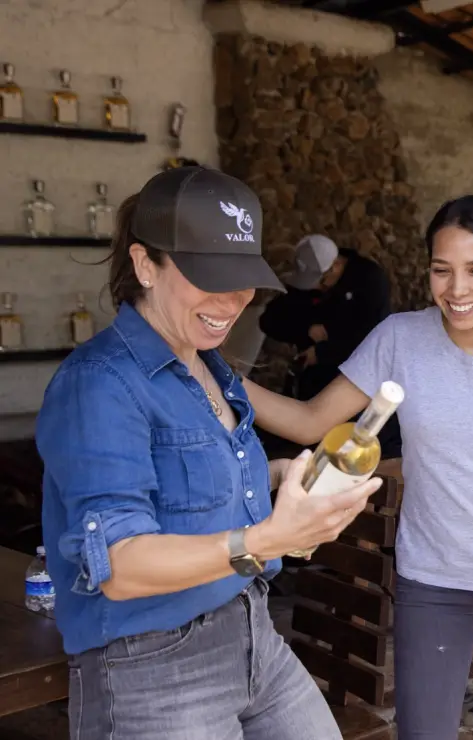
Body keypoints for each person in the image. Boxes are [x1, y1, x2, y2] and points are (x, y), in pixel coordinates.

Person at [35, 166, 384, 739]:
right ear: (146, 265)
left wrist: (284, 480)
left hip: (252, 634)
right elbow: (120, 565)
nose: (233, 300)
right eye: (207, 276)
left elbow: (197, 485)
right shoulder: (99, 384)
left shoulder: (211, 368)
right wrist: (269, 538)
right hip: (151, 665)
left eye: (242, 277)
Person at [243, 195, 473, 740]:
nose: (457, 289)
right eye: (441, 270)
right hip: (431, 579)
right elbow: (310, 421)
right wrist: (215, 379)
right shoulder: (400, 338)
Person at [258, 233, 400, 458]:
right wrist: (305, 329)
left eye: (322, 283)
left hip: (357, 388)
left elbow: (372, 339)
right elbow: (270, 320)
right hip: (310, 390)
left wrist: (323, 353)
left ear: (335, 267)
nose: (318, 289)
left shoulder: (369, 281)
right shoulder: (310, 287)